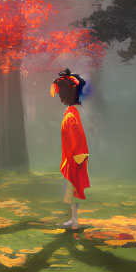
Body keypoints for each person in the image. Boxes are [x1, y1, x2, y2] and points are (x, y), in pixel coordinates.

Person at [52, 69, 89, 229]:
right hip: (72, 157)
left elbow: (78, 137)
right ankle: (73, 220)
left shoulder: (72, 116)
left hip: (74, 158)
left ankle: (74, 222)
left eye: (62, 93)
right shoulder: (71, 113)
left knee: (72, 192)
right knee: (70, 192)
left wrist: (77, 157)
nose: (60, 96)